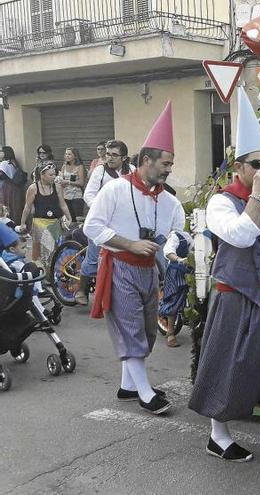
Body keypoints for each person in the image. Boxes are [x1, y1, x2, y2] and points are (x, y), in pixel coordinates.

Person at [188, 90, 260, 462]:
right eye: (258, 165)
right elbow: (238, 236)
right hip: (238, 299)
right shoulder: (222, 201)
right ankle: (218, 435)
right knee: (231, 366)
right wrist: (256, 198)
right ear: (239, 168)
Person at [84, 101, 183, 415]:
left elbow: (178, 232)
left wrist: (175, 248)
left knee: (147, 331)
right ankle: (144, 392)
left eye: (171, 164)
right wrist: (131, 244)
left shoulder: (169, 201)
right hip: (120, 267)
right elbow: (92, 226)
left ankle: (128, 385)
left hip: (149, 272)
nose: (169, 169)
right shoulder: (114, 190)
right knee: (130, 330)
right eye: (165, 163)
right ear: (145, 160)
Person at [78, 140, 134, 306]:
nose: (109, 158)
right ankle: (81, 288)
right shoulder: (100, 171)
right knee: (94, 256)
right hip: (100, 220)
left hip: (123, 221)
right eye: (108, 154)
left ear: (124, 158)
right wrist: (101, 210)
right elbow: (88, 194)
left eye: (114, 155)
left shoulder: (132, 171)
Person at [20, 162, 72, 265]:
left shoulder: (57, 187)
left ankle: (53, 273)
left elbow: (63, 204)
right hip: (40, 222)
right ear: (42, 175)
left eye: (54, 174)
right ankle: (40, 270)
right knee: (42, 249)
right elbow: (27, 207)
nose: (54, 177)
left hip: (55, 221)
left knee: (55, 249)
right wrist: (22, 223)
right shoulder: (33, 188)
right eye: (50, 175)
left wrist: (69, 218)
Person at [157, 230, 192, 347]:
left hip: (190, 271)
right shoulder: (175, 236)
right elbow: (168, 252)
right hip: (176, 271)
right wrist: (179, 259)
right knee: (174, 299)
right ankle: (170, 332)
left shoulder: (198, 234)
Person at [56, 147, 88, 220]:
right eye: (66, 154)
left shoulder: (80, 167)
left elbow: (81, 183)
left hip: (76, 196)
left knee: (77, 219)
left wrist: (68, 182)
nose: (67, 156)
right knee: (68, 218)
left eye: (69, 154)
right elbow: (61, 178)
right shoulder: (64, 166)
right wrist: (60, 181)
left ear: (75, 156)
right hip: (66, 195)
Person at [0, 146, 26, 224]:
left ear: (5, 153)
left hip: (7, 188)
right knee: (14, 207)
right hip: (16, 188)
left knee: (7, 206)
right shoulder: (13, 162)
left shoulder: (4, 163)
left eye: (1, 151)